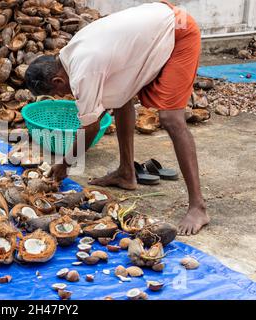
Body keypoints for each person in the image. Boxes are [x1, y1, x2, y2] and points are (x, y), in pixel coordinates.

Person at [24, 1, 209, 236]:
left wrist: (64, 165)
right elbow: (106, 103)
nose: (63, 96)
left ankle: (198, 207)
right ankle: (126, 172)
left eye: (58, 92)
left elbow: (90, 127)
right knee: (122, 99)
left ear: (58, 81)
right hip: (157, 21)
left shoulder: (83, 71)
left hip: (177, 30)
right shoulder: (69, 55)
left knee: (171, 118)